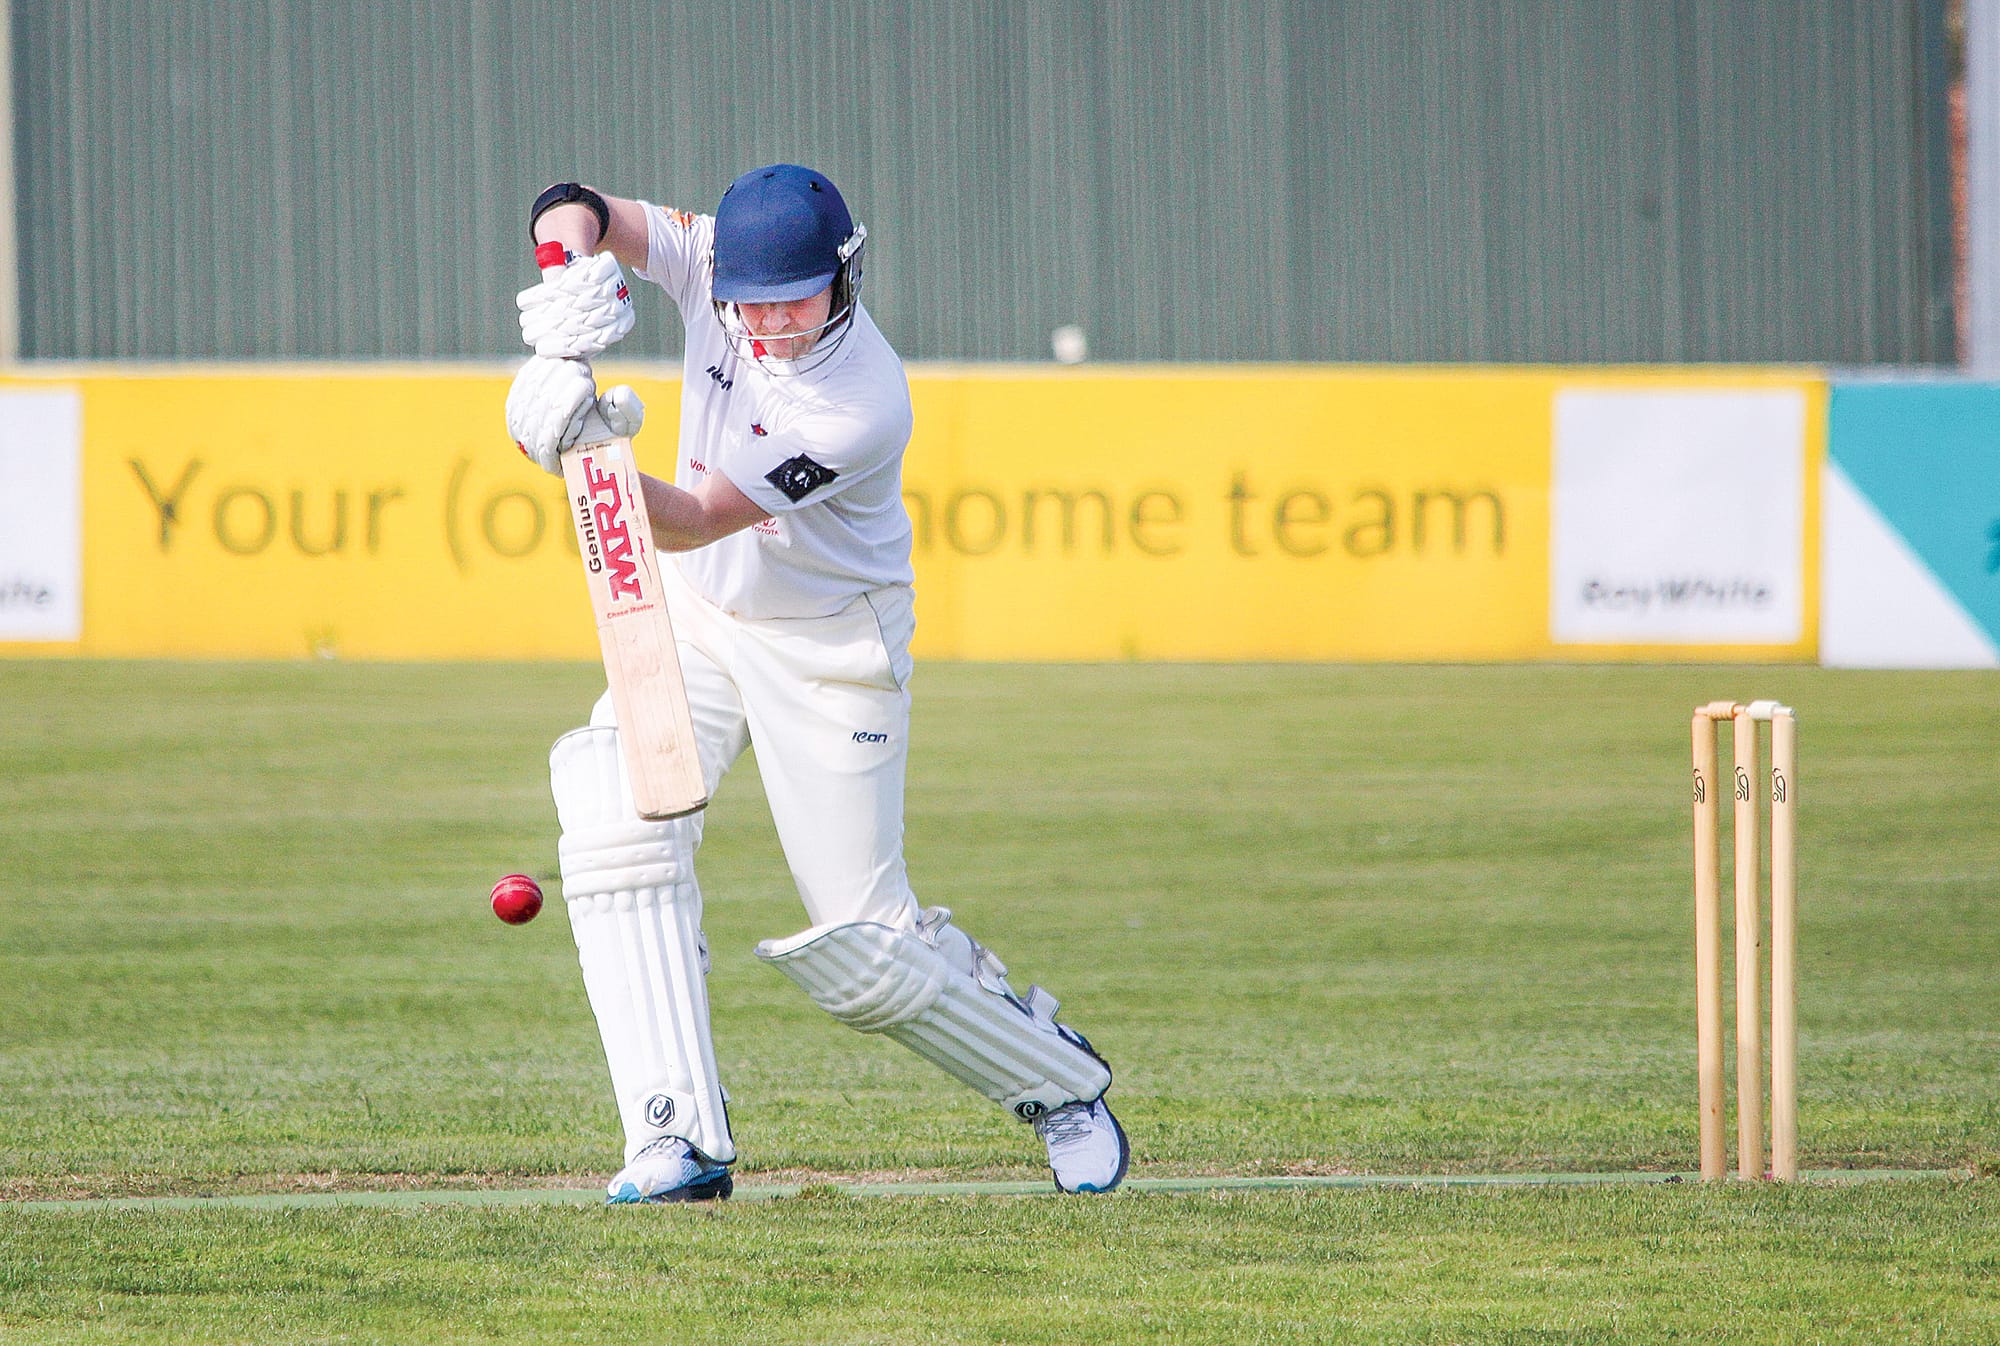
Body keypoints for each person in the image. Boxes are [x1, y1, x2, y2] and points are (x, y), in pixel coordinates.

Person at [503, 165, 1130, 1202]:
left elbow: (697, 510)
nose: (767, 324)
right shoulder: (714, 265)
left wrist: (581, 450)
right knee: (614, 816)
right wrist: (567, 266)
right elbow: (578, 201)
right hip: (697, 615)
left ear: (844, 274)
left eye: (792, 298)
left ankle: (1058, 1083)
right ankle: (675, 1135)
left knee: (866, 952)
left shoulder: (860, 401)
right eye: (748, 302)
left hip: (829, 651)